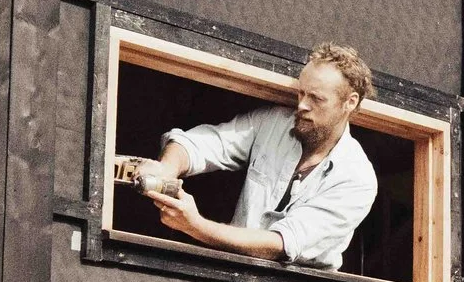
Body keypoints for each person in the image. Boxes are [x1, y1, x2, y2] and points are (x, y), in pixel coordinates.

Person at [135, 43, 378, 270]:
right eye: (301, 93)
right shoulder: (273, 123)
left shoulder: (357, 178)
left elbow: (281, 244)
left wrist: (195, 226)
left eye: (316, 98)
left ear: (350, 102)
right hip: (232, 275)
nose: (302, 105)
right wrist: (167, 168)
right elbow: (206, 144)